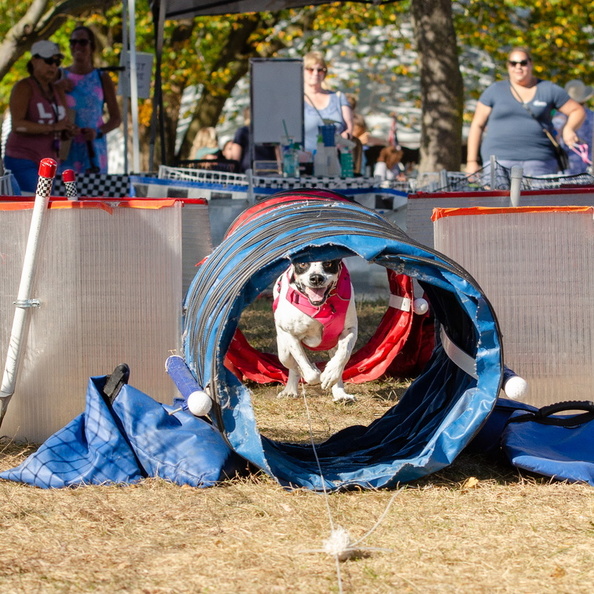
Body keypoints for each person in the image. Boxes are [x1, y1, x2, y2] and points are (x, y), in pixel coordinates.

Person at [466, 47, 585, 176]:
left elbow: (577, 110)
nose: (518, 67)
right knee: (498, 196)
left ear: (530, 63)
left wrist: (569, 129)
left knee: (537, 197)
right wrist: (471, 161)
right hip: (498, 161)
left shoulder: (548, 89)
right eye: (513, 63)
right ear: (508, 66)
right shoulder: (494, 90)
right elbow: (477, 125)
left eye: (523, 63)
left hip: (540, 161)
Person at [4, 41, 75, 193]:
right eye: (49, 60)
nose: (53, 66)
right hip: (23, 158)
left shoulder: (57, 90)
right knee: (35, 203)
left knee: (46, 204)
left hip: (50, 161)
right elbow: (18, 125)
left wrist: (68, 130)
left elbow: (63, 122)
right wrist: (54, 127)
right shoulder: (23, 87)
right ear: (34, 61)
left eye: (57, 62)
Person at [56, 26, 121, 174]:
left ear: (92, 46)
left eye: (83, 42)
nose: (77, 46)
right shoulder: (60, 76)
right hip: (66, 147)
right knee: (64, 193)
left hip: (93, 148)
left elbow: (116, 119)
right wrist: (58, 88)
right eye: (73, 42)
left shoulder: (102, 77)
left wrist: (97, 132)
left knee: (93, 193)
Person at [303, 51, 354, 155]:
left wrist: (344, 138)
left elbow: (349, 128)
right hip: (305, 160)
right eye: (310, 69)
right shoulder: (296, 100)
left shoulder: (339, 98)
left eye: (320, 70)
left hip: (335, 159)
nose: (315, 73)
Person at [554, 80, 593, 175]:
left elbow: (555, 139)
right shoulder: (592, 115)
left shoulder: (559, 117)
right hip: (589, 167)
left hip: (566, 168)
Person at [229, 107, 277, 173]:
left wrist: (233, 169)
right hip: (271, 169)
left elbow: (236, 156)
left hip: (249, 171)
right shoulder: (269, 131)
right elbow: (277, 150)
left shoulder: (242, 131)